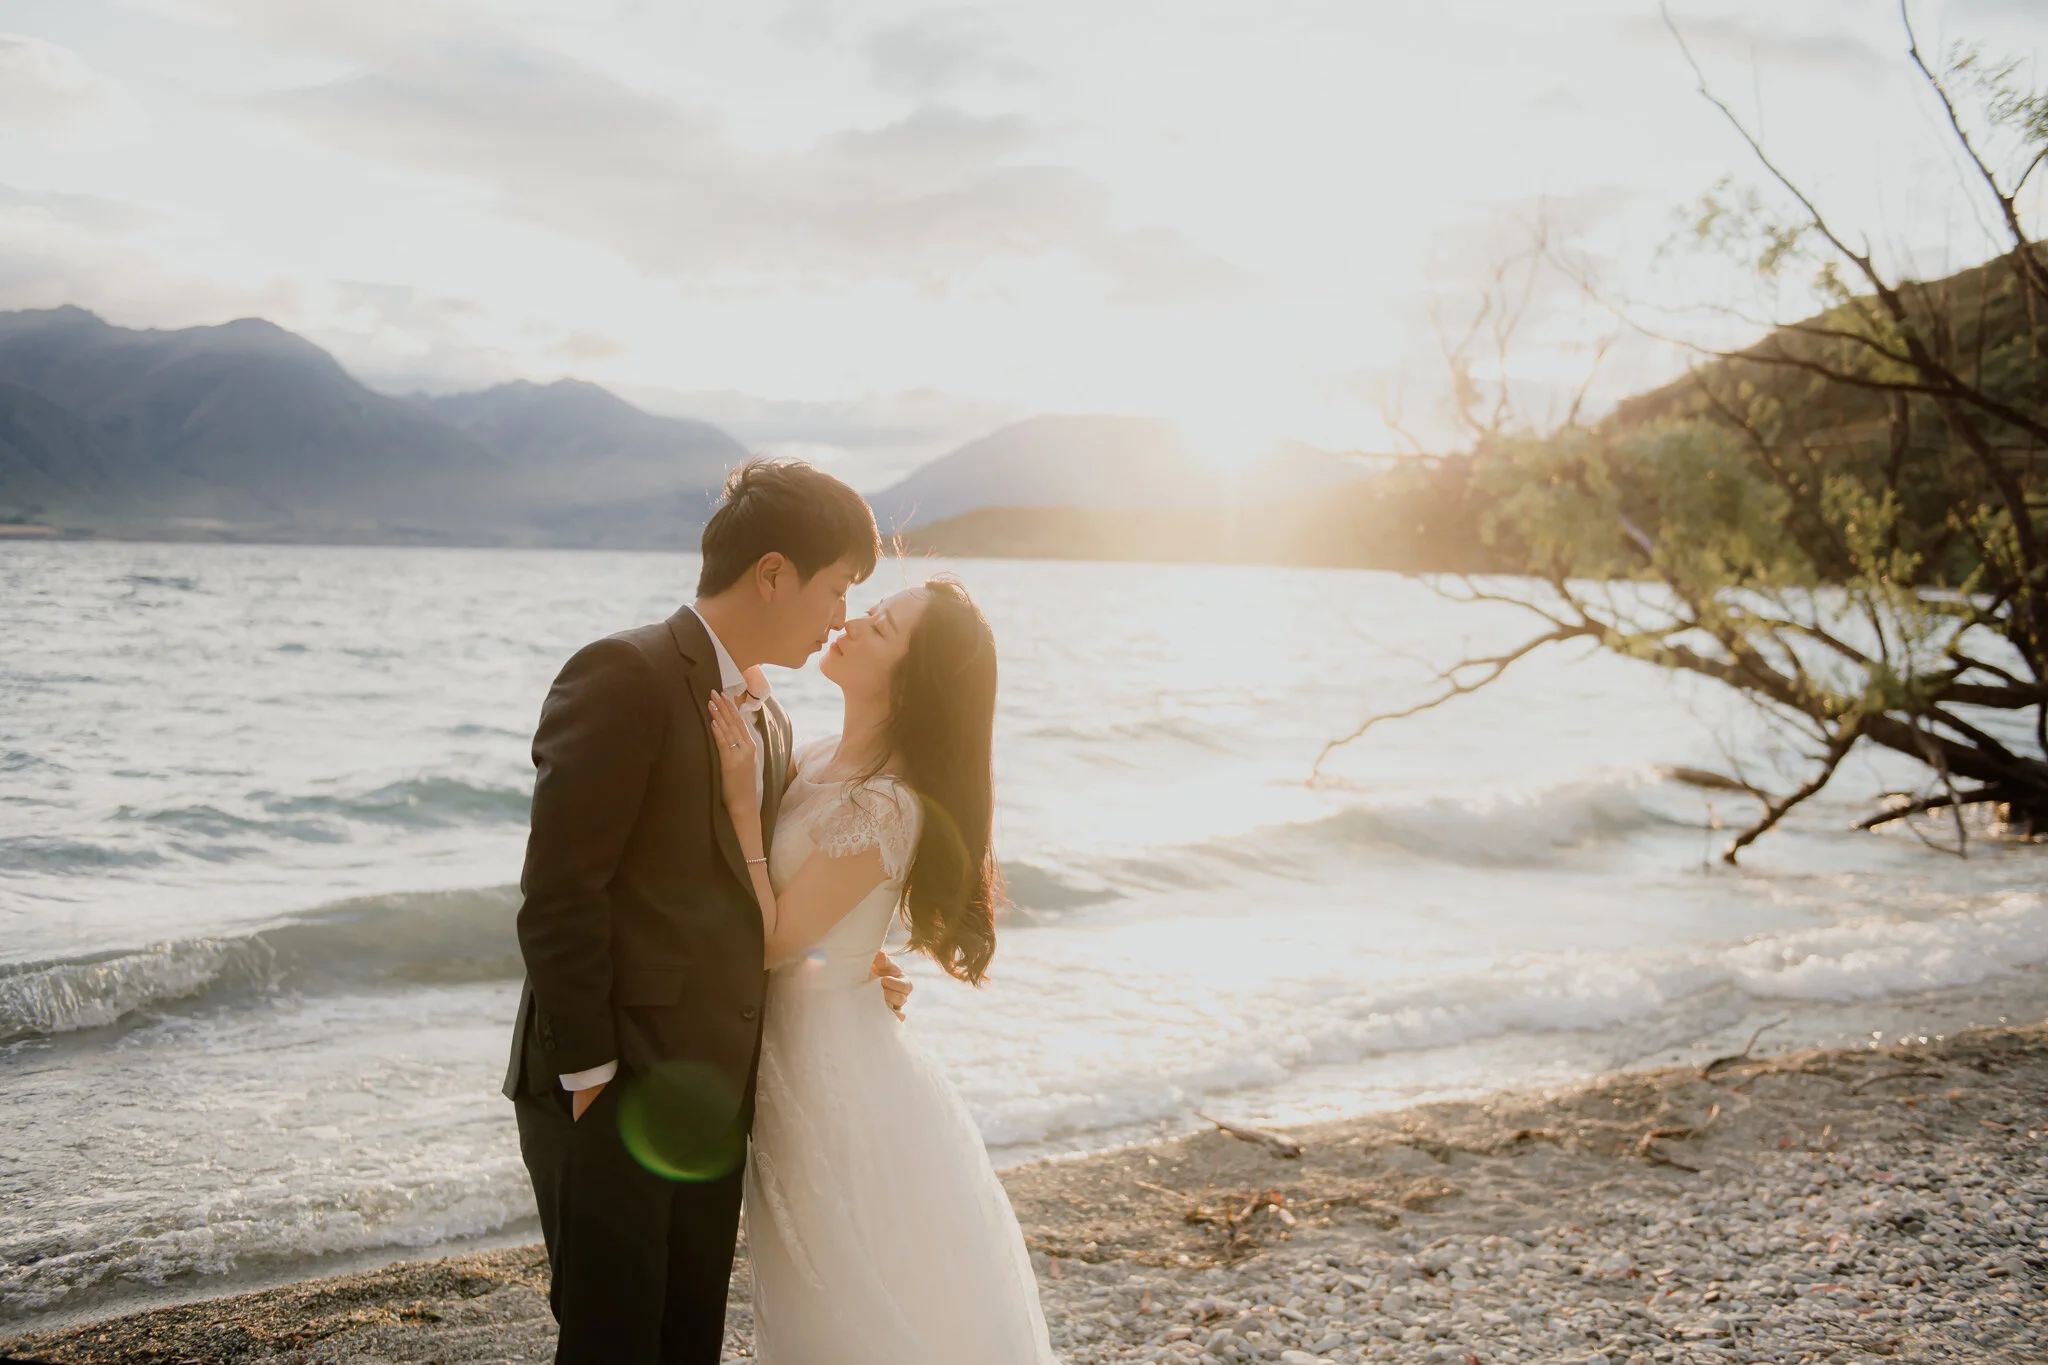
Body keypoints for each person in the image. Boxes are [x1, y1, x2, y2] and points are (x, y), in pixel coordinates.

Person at [501, 459, 913, 1364]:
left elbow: (749, 891)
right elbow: (560, 892)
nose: (841, 613)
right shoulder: (626, 672)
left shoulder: (768, 719)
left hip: (712, 1098)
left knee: (686, 1341)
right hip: (611, 1088)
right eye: (837, 587)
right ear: (773, 573)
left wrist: (841, 959)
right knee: (612, 1342)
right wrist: (590, 1073)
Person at [707, 573, 1058, 1363]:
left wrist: (738, 805)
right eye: (871, 607)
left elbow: (773, 941)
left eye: (884, 625)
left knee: (840, 1285)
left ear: (912, 680)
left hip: (830, 1071)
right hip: (802, 1049)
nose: (855, 622)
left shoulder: (890, 803)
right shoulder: (819, 754)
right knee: (814, 1284)